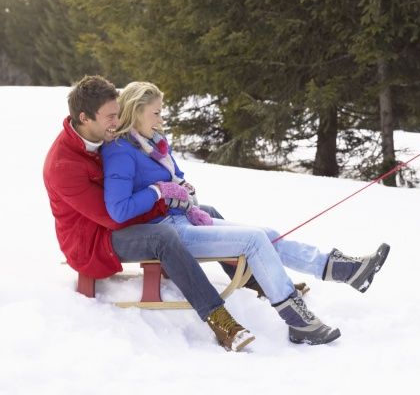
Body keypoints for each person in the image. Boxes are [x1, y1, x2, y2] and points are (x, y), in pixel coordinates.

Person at [101, 81, 391, 348]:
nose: (161, 118)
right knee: (253, 239)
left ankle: (342, 269)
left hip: (185, 218)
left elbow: (174, 179)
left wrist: (181, 187)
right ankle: (297, 320)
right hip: (165, 231)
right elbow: (119, 209)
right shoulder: (120, 151)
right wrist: (158, 189)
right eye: (155, 113)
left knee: (266, 235)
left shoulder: (154, 145)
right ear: (137, 111)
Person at [44, 75, 266, 352]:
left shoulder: (100, 137)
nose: (118, 121)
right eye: (111, 116)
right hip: (92, 240)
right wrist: (161, 196)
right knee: (163, 234)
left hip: (116, 221)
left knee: (202, 210)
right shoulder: (63, 165)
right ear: (84, 117)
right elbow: (114, 217)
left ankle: (257, 280)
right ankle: (219, 319)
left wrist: (172, 191)